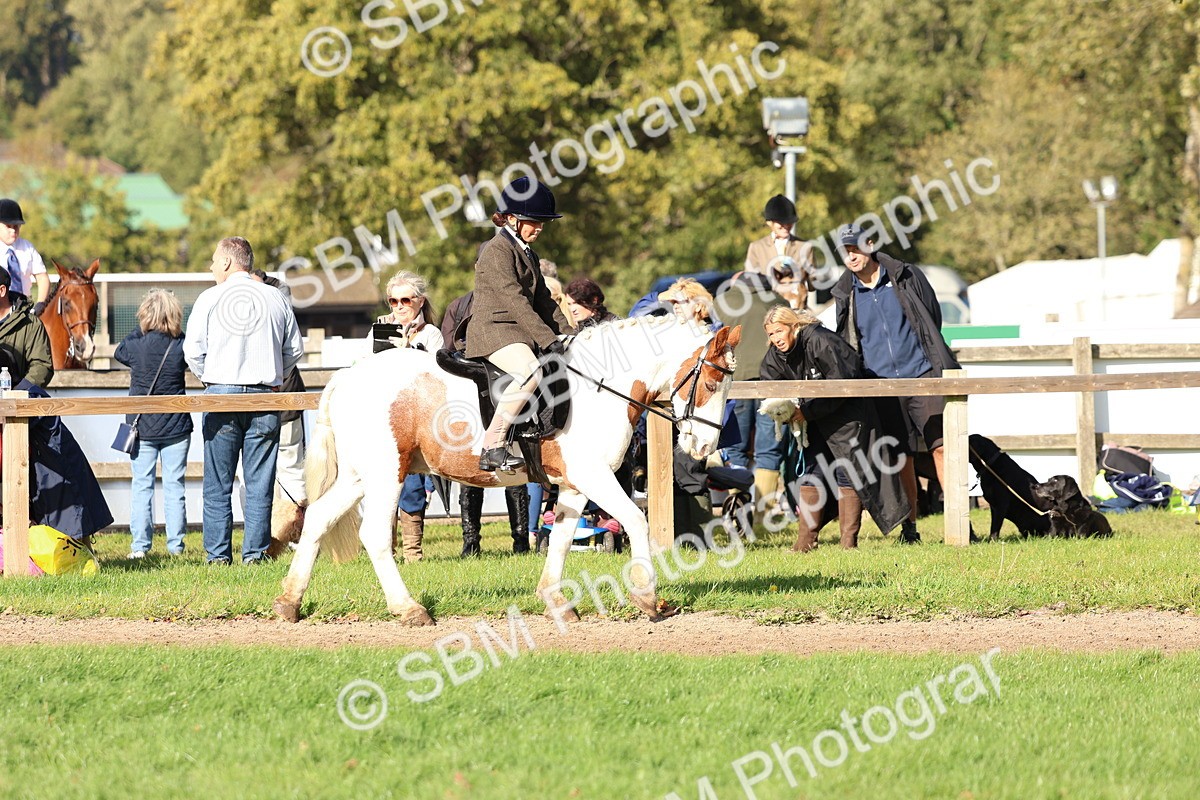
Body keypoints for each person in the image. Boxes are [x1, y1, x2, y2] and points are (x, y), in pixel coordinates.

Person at [831, 224, 962, 544]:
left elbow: (931, 316)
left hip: (922, 375)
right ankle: (910, 528)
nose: (852, 256)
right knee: (900, 457)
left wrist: (930, 360)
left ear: (871, 245)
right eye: (846, 251)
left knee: (944, 448)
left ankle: (959, 521)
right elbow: (849, 338)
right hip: (880, 386)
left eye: (856, 248)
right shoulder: (843, 291)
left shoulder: (905, 275)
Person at [183, 237, 303, 565]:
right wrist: (275, 377)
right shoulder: (276, 298)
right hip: (265, 396)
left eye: (212, 260)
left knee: (218, 483)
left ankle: (218, 557)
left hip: (221, 394)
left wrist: (212, 378)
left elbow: (192, 350)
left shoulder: (209, 298)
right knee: (260, 481)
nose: (210, 267)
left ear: (226, 262)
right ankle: (254, 555)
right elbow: (295, 349)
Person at [760, 305, 907, 550]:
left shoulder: (821, 340)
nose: (775, 339)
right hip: (811, 420)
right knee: (810, 473)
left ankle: (848, 543)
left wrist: (805, 411)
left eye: (779, 331)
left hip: (846, 415)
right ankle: (805, 541)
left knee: (848, 473)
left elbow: (845, 384)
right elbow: (770, 386)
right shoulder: (776, 355)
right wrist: (784, 411)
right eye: (771, 334)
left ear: (794, 326)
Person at [465, 177, 569, 472]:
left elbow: (545, 302)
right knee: (530, 371)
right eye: (533, 221)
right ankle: (493, 445)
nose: (539, 227)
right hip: (494, 331)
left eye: (541, 222)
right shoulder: (497, 251)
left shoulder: (527, 252)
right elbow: (516, 302)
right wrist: (548, 339)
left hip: (516, 332)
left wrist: (572, 334)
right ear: (511, 219)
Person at [441, 282, 533, 556]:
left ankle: (521, 540)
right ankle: (471, 541)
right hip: (471, 385)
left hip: (509, 378)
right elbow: (449, 345)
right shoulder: (459, 305)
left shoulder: (512, 300)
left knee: (515, 464)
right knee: (469, 476)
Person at [114, 289, 192, 558]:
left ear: (145, 314)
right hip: (176, 427)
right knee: (175, 487)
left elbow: (119, 351)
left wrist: (141, 329)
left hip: (142, 428)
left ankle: (140, 547)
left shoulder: (136, 344)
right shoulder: (181, 345)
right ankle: (176, 547)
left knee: (142, 486)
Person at [377, 271, 443, 562]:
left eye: (406, 300)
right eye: (393, 300)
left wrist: (408, 350)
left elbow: (440, 375)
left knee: (413, 486)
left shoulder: (431, 333)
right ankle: (384, 551)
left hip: (420, 418)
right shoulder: (378, 328)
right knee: (383, 485)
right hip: (385, 418)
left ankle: (413, 553)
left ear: (419, 301)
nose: (399, 306)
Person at [714, 270, 785, 511]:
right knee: (769, 450)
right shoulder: (779, 303)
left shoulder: (721, 303)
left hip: (736, 385)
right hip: (772, 383)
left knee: (735, 448)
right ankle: (764, 516)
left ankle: (739, 513)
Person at [744, 195, 815, 305]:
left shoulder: (805, 247)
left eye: (789, 222)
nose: (786, 226)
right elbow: (751, 284)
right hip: (768, 307)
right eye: (781, 223)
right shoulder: (756, 248)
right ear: (769, 222)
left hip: (797, 307)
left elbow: (812, 283)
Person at [0, 266, 53, 388]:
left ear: (2, 291)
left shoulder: (31, 324)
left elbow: (42, 365)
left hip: (16, 403)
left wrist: (19, 393)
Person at [0, 199, 50, 312]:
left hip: (24, 307)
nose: (13, 230)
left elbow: (42, 277)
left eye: (16, 226)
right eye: (8, 226)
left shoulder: (27, 247)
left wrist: (40, 304)